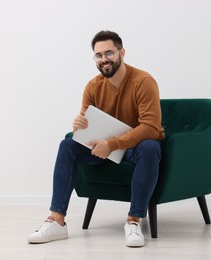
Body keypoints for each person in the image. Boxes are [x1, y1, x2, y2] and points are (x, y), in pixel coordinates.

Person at [27, 30, 165, 247]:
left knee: (150, 147)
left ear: (122, 52)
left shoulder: (143, 81)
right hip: (104, 146)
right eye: (98, 55)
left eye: (109, 53)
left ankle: (133, 221)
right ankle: (56, 220)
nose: (104, 59)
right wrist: (78, 127)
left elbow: (150, 127)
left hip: (134, 147)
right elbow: (86, 124)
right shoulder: (93, 86)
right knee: (67, 145)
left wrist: (112, 144)